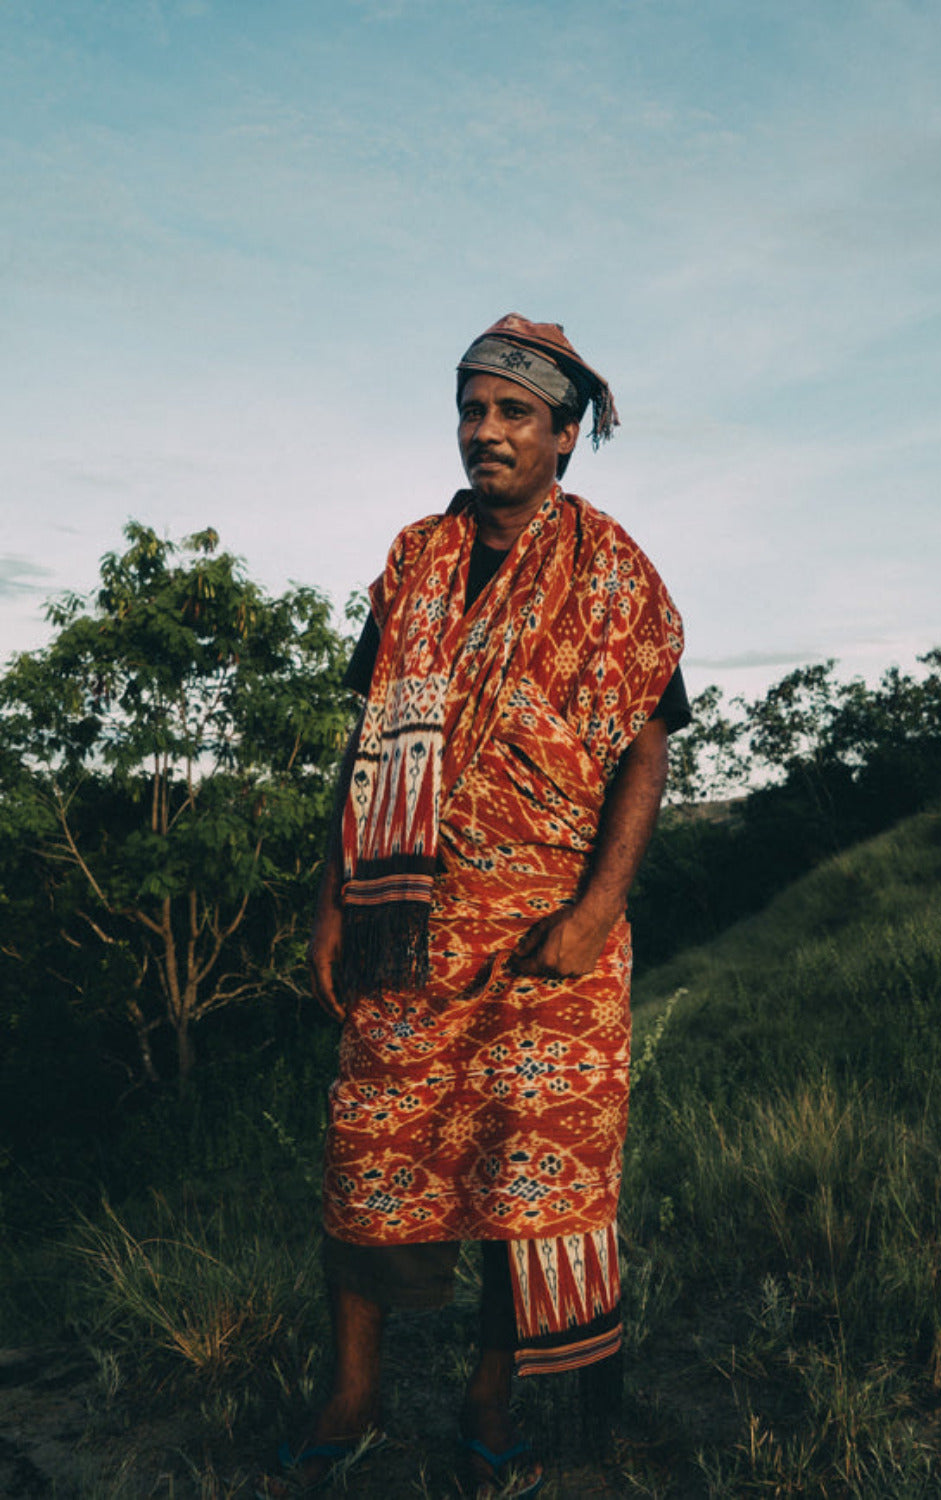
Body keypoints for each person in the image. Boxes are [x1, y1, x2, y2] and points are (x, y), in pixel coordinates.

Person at [259, 314, 690, 1498]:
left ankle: (491, 1404)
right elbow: (366, 740)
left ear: (563, 434)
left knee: (524, 1179)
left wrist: (598, 909)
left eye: (513, 413)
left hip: (549, 926)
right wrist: (331, 900)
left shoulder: (613, 573)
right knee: (367, 1156)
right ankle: (351, 1395)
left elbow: (646, 747)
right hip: (405, 916)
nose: (486, 431)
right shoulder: (412, 560)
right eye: (472, 408)